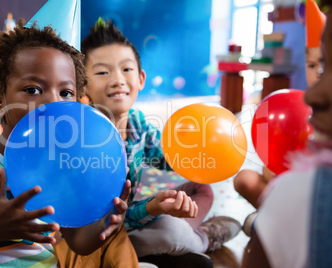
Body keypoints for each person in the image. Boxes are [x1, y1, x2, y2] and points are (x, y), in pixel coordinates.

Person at [0, 19, 139, 267]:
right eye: (33, 89)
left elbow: (78, 243)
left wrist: (108, 223)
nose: (54, 103)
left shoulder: (60, 164)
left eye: (65, 93)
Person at [81, 18, 241, 263]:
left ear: (141, 79)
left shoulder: (137, 122)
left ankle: (185, 234)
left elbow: (168, 158)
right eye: (103, 72)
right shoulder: (88, 142)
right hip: (105, 231)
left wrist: (199, 149)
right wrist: (153, 208)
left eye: (126, 69)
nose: (117, 79)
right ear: (84, 87)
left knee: (200, 189)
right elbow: (109, 219)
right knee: (170, 232)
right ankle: (202, 238)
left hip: (134, 215)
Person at [242, 0, 332, 266]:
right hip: (283, 194)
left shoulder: (303, 193)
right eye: (317, 63)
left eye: (325, 66)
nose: (314, 93)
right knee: (246, 179)